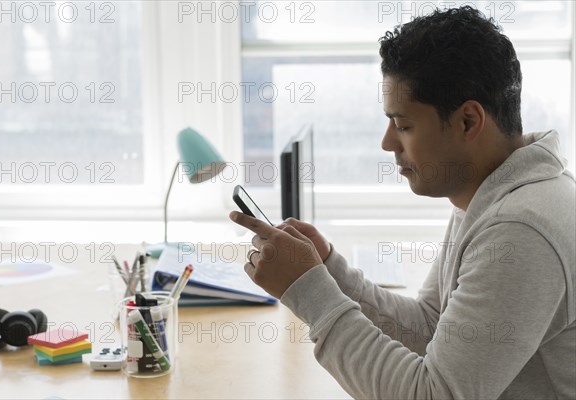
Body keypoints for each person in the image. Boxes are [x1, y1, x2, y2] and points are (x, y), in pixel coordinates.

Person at [230, 6, 575, 399]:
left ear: (467, 122)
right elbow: (431, 328)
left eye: (404, 125)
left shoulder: (520, 232)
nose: (387, 143)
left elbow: (430, 394)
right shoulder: (490, 194)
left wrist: (310, 291)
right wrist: (329, 270)